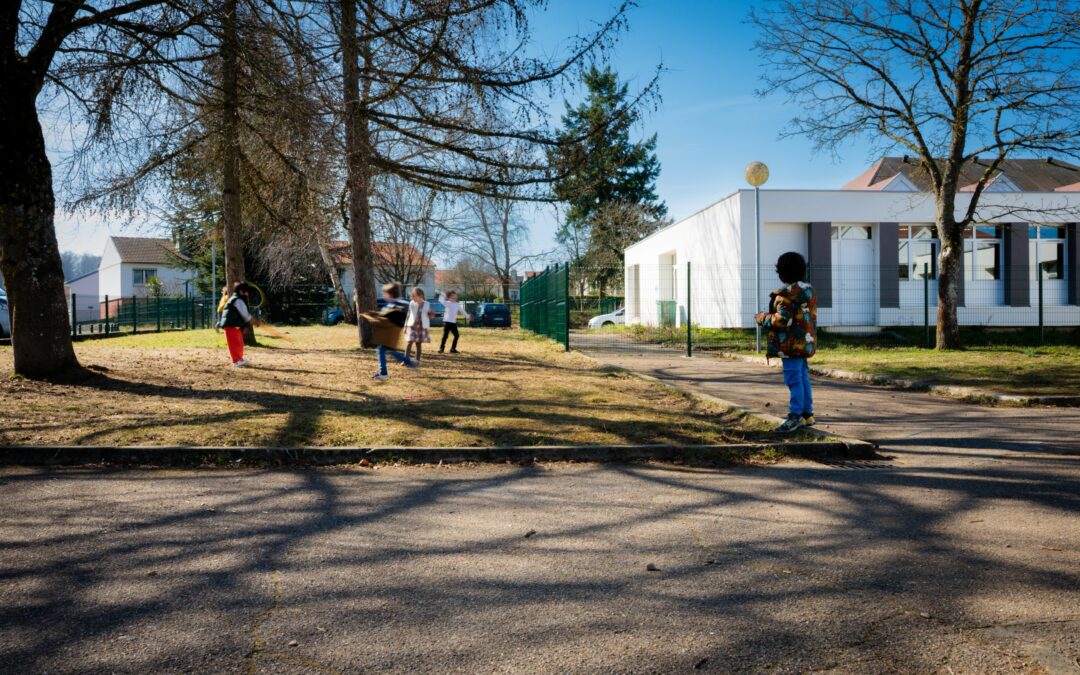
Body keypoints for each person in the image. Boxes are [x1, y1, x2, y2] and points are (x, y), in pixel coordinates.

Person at [755, 252, 817, 432]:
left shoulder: (785, 297)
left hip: (790, 345)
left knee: (793, 379)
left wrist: (762, 318)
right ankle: (807, 414)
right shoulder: (808, 292)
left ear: (782, 274)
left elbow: (782, 320)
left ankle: (795, 416)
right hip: (805, 343)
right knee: (803, 377)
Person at [372, 282, 417, 380]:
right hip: (393, 333)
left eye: (385, 294)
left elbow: (385, 320)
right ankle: (410, 362)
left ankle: (383, 373)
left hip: (388, 334)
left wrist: (374, 319)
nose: (384, 296)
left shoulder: (392, 306)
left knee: (382, 350)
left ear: (390, 294)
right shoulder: (400, 304)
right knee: (390, 351)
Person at [218, 282, 260, 367]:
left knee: (239, 342)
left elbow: (242, 315)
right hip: (231, 325)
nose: (247, 294)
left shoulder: (238, 299)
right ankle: (236, 361)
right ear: (241, 291)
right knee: (234, 343)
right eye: (246, 292)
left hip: (235, 325)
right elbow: (244, 314)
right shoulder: (237, 300)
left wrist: (246, 324)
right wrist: (253, 320)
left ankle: (240, 359)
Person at [403, 286, 434, 363]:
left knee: (418, 344)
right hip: (412, 326)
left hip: (421, 327)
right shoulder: (412, 303)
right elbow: (408, 315)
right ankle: (405, 360)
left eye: (414, 296)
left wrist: (431, 313)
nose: (412, 298)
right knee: (409, 342)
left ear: (420, 296)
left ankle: (417, 360)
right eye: (412, 296)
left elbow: (430, 316)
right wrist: (405, 326)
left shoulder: (427, 304)